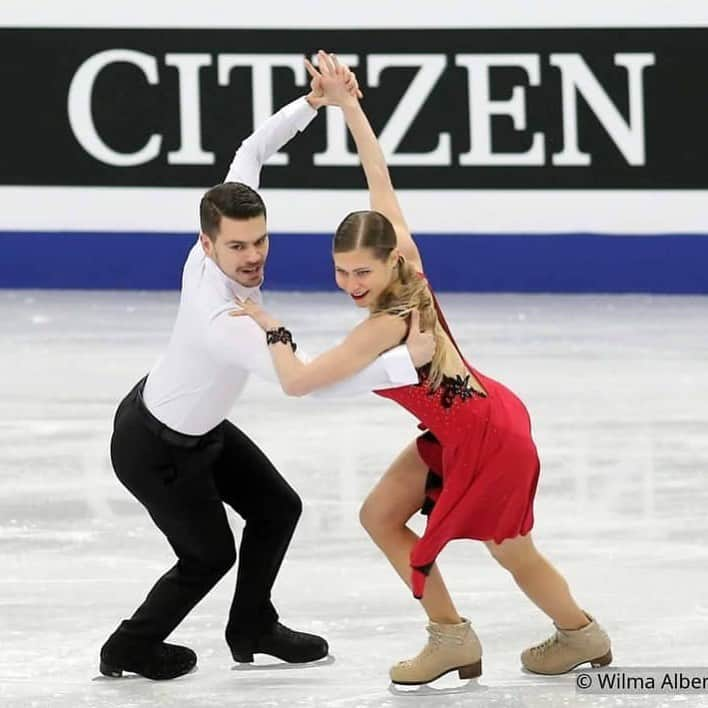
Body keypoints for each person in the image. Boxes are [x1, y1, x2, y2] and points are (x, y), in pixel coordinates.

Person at [233, 51, 613, 686]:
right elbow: (376, 171)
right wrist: (346, 102)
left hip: (489, 440)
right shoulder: (404, 253)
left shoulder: (384, 323)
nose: (352, 284)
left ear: (385, 266)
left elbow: (298, 382)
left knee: (510, 549)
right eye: (341, 271)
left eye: (362, 272)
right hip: (468, 421)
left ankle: (579, 634)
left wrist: (272, 327)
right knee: (380, 515)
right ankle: (451, 637)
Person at [100, 70, 436, 681]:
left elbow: (251, 152)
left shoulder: (222, 229)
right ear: (208, 246)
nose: (253, 256)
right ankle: (128, 647)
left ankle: (251, 624)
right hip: (155, 448)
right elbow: (304, 381)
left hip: (201, 429)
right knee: (208, 555)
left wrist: (312, 103)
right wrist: (400, 364)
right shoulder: (225, 318)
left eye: (260, 240)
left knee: (278, 508)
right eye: (238, 249)